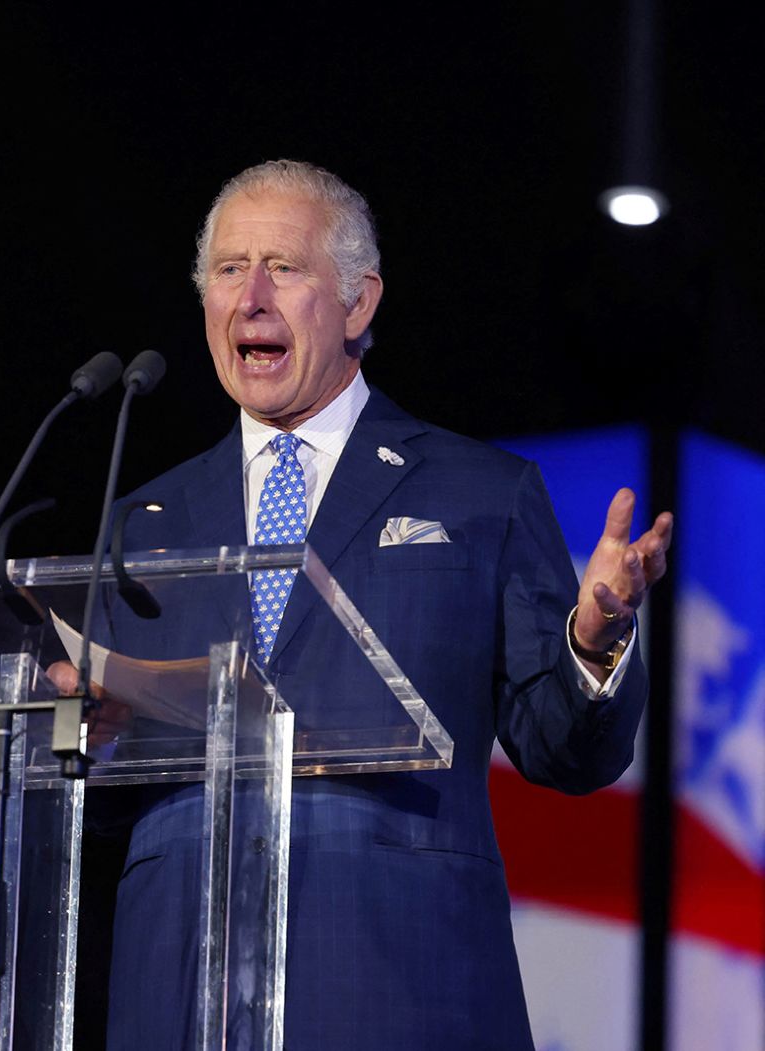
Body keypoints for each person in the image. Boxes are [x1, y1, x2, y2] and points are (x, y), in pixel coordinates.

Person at [98, 160, 673, 1049]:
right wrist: (70, 723)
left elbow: (564, 747)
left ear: (359, 304)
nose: (250, 297)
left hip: (402, 984)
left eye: (283, 268)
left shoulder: (481, 491)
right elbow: (96, 783)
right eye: (227, 269)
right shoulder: (144, 520)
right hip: (180, 990)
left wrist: (596, 641)